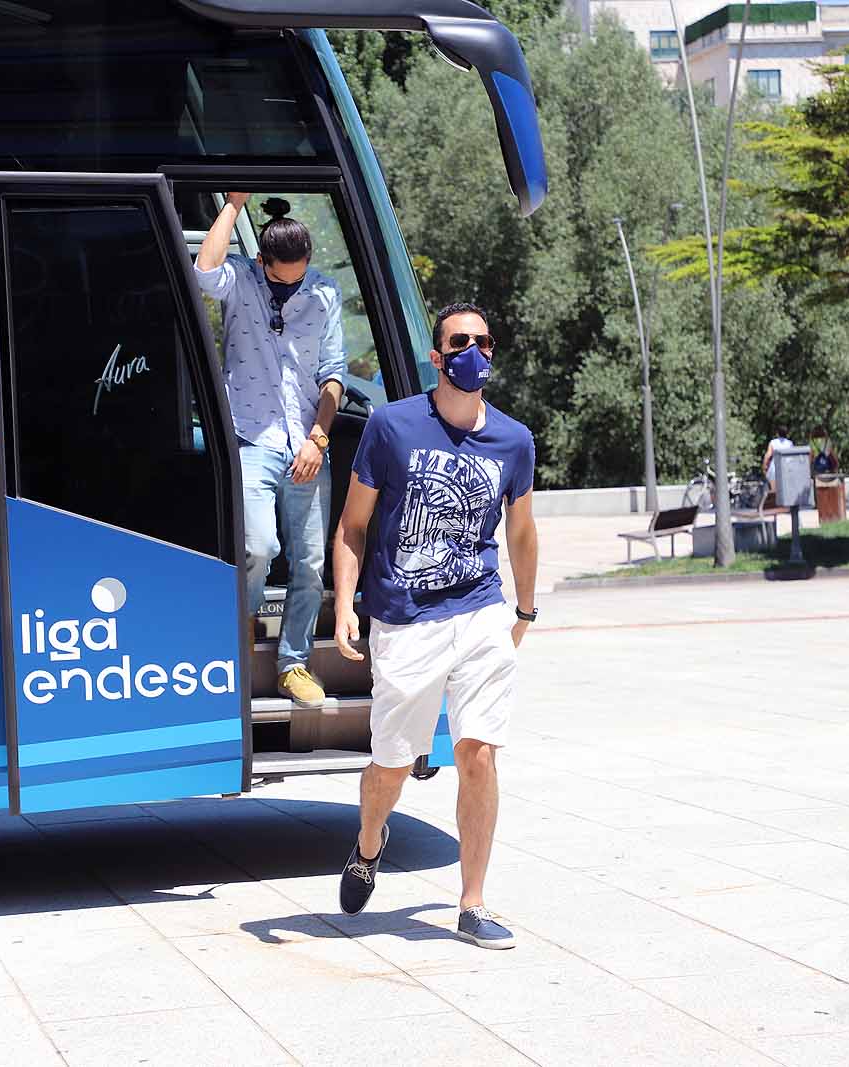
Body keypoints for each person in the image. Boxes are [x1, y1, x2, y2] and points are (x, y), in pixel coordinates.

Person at [330, 302, 539, 950]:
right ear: (437, 353)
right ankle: (369, 845)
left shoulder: (513, 439)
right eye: (459, 340)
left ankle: (472, 902)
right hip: (405, 619)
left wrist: (525, 609)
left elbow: (523, 531)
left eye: (482, 340)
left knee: (477, 751)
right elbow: (353, 526)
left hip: (479, 607)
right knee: (391, 765)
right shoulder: (393, 426)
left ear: (492, 352)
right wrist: (345, 603)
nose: (471, 350)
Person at [195, 194, 345, 709]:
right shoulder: (240, 278)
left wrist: (318, 438)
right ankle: (236, 644)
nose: (295, 284)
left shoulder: (324, 291)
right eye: (285, 278)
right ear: (264, 263)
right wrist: (234, 205)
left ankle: (292, 663)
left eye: (301, 274)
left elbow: (334, 373)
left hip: (306, 444)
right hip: (252, 439)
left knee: (309, 562)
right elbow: (202, 273)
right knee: (258, 547)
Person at [762, 427, 795, 493]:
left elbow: (768, 455)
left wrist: (764, 466)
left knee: (774, 492)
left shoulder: (773, 443)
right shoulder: (790, 443)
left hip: (774, 470)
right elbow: (793, 458)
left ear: (777, 434)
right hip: (787, 470)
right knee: (786, 492)